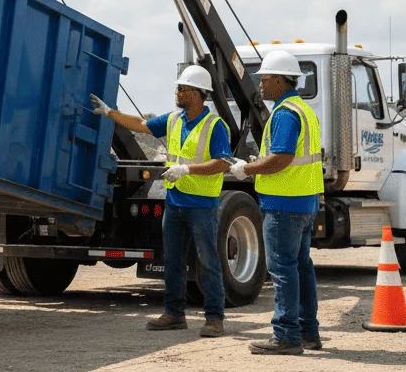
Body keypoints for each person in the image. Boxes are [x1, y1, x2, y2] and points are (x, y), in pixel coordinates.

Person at [90, 65, 236, 338]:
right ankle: (174, 314)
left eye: (182, 88)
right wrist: (111, 113)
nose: (177, 91)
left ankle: (215, 318)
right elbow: (142, 125)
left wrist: (188, 169)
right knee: (173, 261)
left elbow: (222, 163)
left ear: (197, 94)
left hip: (202, 205)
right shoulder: (174, 119)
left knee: (207, 261)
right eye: (178, 87)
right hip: (175, 202)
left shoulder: (215, 125)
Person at [229, 49, 324, 355]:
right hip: (304, 200)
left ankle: (285, 336)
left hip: (284, 202)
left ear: (282, 80)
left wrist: (248, 169)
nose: (261, 84)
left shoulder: (284, 114)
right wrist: (261, 163)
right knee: (300, 268)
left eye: (266, 78)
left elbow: (282, 158)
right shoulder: (303, 110)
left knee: (283, 270)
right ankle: (308, 332)